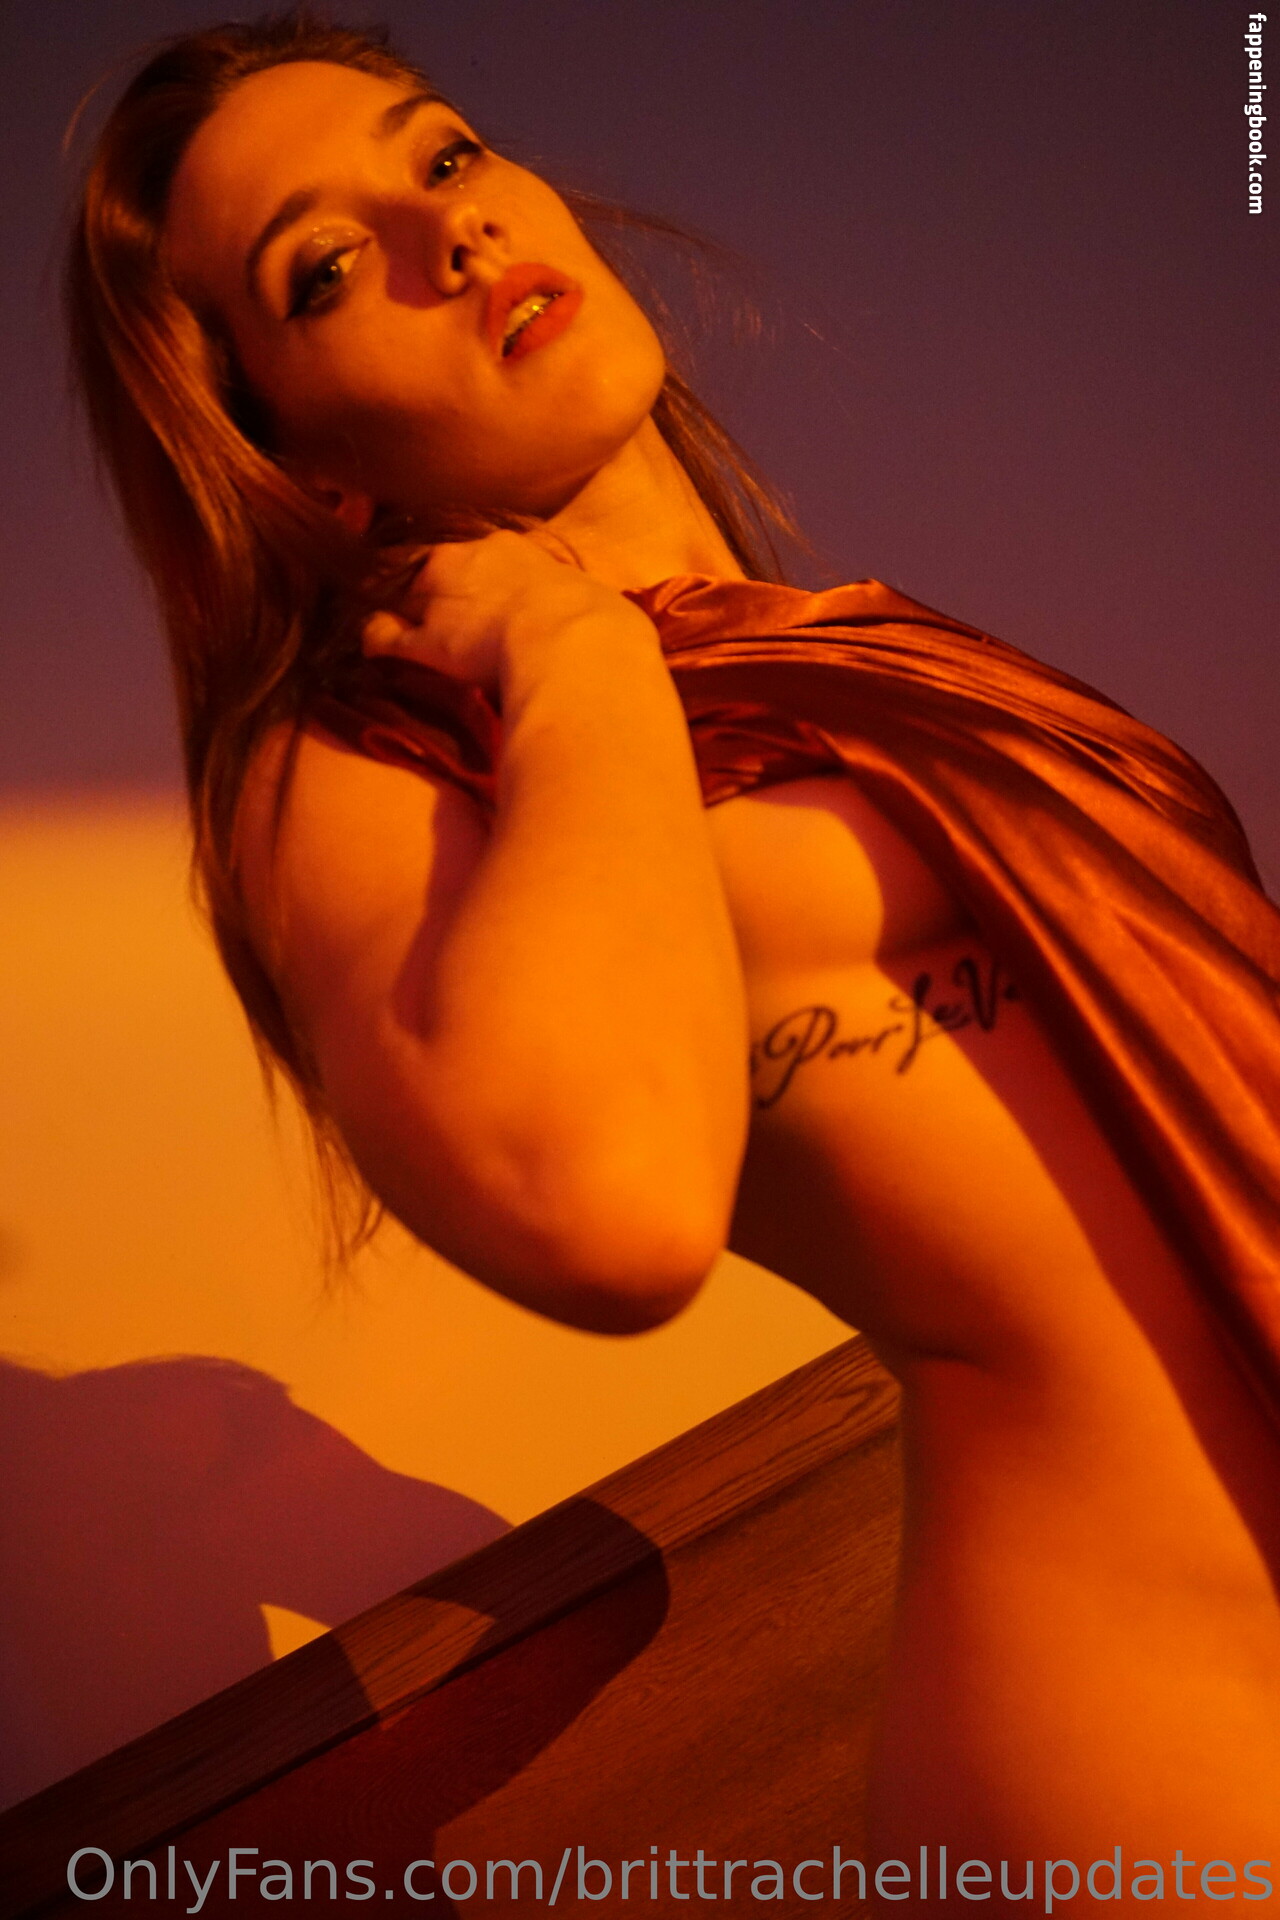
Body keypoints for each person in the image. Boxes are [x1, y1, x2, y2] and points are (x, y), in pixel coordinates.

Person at [67, 11, 1280, 1904]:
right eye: (327, 267)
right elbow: (605, 1206)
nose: (450, 231)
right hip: (1172, 1713)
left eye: (445, 156)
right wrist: (575, 660)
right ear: (294, 460)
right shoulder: (370, 757)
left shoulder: (862, 645)